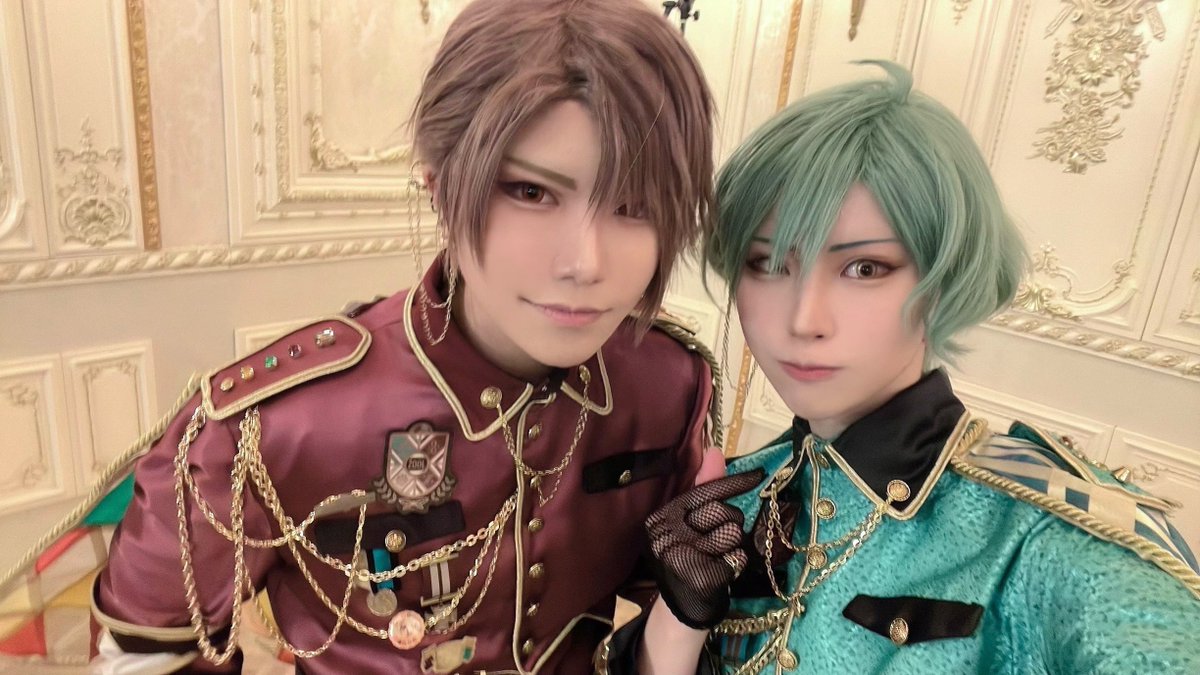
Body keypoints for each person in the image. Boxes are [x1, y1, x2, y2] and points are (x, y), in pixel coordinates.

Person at [89, 0, 718, 672]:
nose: (585, 264)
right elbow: (142, 650)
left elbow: (670, 614)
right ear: (439, 186)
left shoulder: (666, 385)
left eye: (633, 205)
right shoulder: (271, 422)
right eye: (532, 192)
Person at [602, 61, 1200, 674]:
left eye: (864, 268)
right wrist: (676, 627)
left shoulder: (1048, 541)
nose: (803, 319)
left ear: (944, 280)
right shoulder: (742, 501)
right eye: (769, 264)